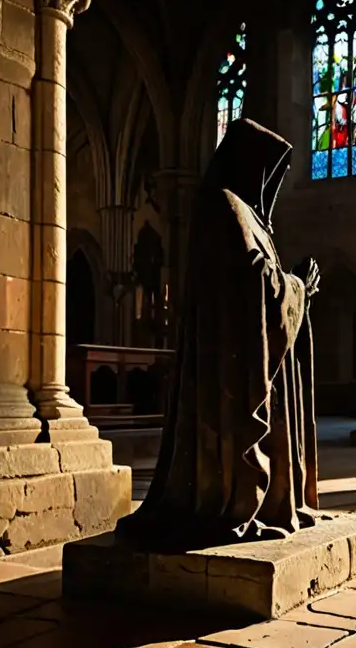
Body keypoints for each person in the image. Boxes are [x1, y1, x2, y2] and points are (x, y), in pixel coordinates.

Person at [117, 119, 321, 551]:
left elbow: (262, 282)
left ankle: (275, 500)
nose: (271, 183)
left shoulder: (250, 215)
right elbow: (252, 282)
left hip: (256, 354)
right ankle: (238, 498)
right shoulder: (224, 205)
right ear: (249, 164)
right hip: (226, 365)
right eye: (269, 170)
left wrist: (294, 285)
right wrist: (297, 285)